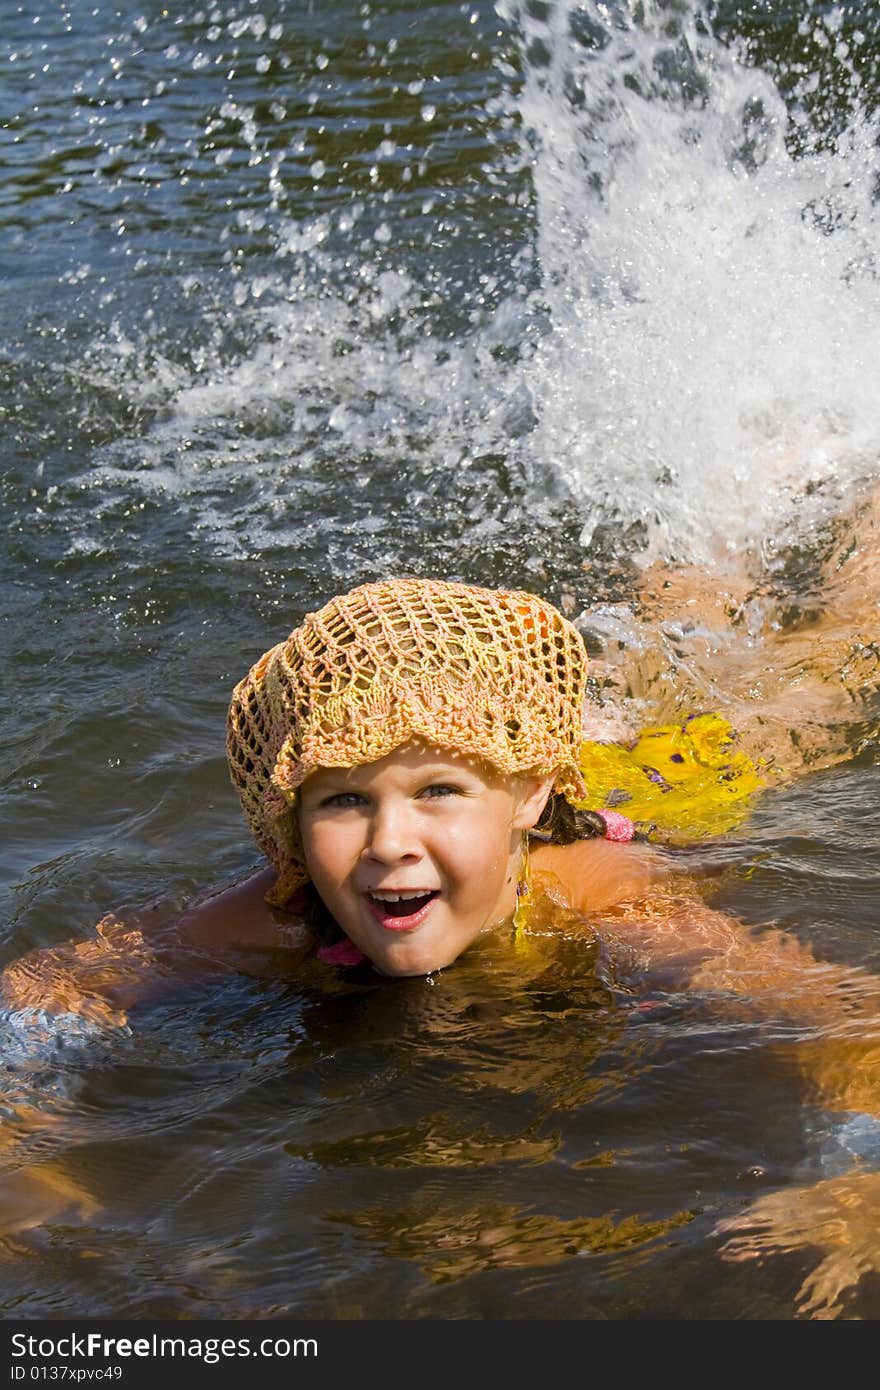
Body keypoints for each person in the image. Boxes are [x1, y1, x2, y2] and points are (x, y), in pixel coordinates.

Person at [1, 554, 879, 1317]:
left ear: (529, 797)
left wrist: (859, 1178)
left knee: (809, 677)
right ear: (290, 820)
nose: (389, 842)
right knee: (676, 636)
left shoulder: (604, 903)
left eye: (438, 792)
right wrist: (26, 1159)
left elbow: (833, 1016)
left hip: (681, 776)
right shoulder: (275, 918)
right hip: (526, 752)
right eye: (344, 799)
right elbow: (49, 990)